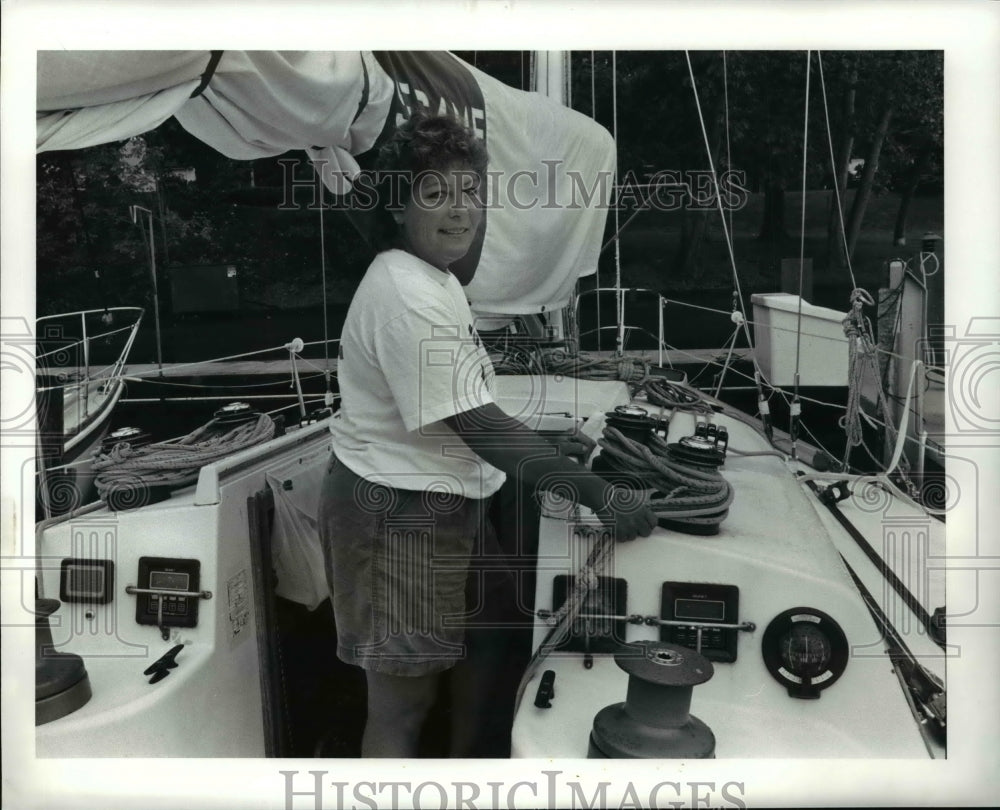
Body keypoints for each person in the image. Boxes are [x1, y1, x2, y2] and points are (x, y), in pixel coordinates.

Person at [319, 110, 657, 758]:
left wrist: (552, 448)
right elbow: (477, 425)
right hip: (397, 515)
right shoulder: (404, 291)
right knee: (402, 704)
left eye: (470, 191)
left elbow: (468, 401)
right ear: (398, 205)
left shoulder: (436, 280)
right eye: (437, 193)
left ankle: (471, 773)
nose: (460, 209)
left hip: (451, 502)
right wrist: (600, 495)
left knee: (497, 637)